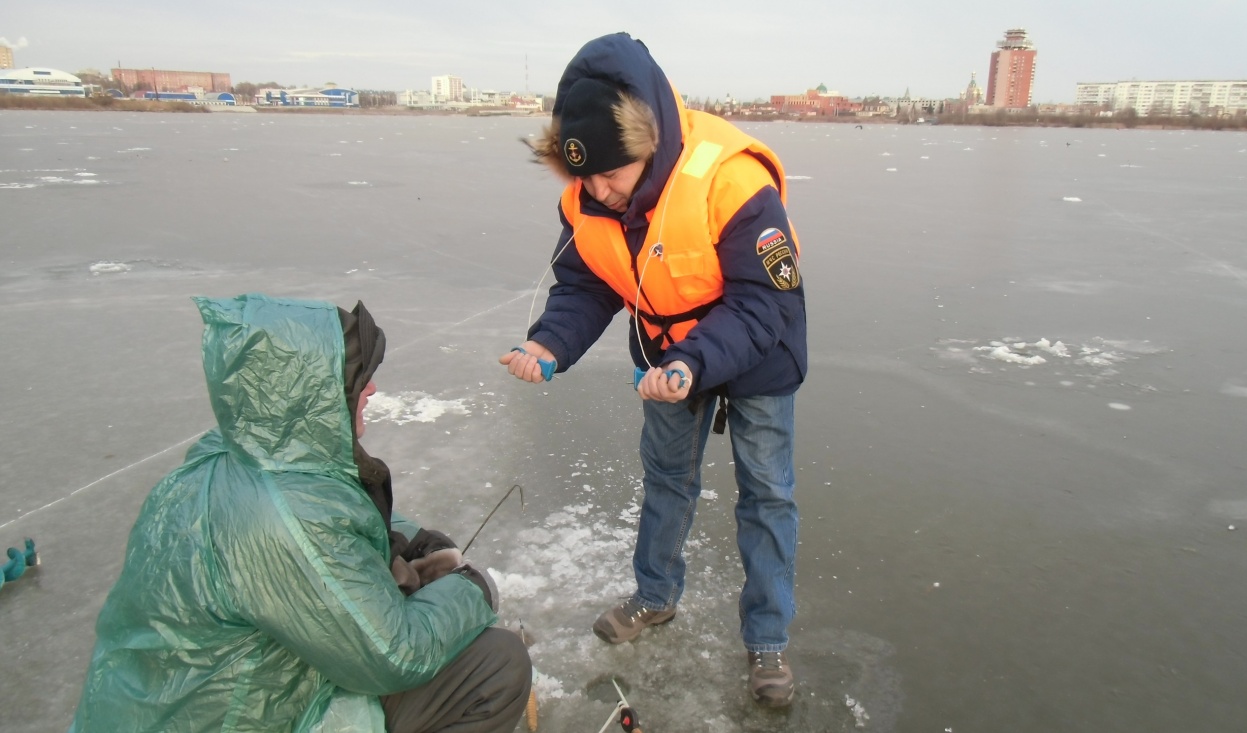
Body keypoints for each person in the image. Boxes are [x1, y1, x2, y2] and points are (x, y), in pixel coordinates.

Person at [500, 33, 806, 707]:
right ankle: (655, 596)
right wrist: (549, 343)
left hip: (756, 350)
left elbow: (764, 303)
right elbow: (586, 283)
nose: (599, 192)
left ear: (647, 145)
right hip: (667, 358)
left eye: (611, 175)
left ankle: (767, 642)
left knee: (766, 496)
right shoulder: (589, 196)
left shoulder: (733, 179)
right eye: (586, 177)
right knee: (667, 479)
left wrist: (693, 362)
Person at [72, 293, 531, 733]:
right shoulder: (280, 518)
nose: (371, 388)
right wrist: (471, 589)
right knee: (498, 662)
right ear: (309, 395)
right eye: (356, 380)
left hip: (168, 704)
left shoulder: (241, 453)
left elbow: (330, 517)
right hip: (236, 717)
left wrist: (408, 538)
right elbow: (396, 656)